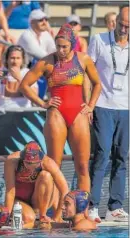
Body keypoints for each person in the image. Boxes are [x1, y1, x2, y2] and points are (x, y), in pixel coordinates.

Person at [19, 24, 102, 193]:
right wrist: (42, 103)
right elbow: (24, 85)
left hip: (78, 114)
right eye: (58, 46)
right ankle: (54, 213)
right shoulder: (47, 61)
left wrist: (91, 106)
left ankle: (82, 211)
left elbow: (97, 84)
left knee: (83, 166)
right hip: (56, 114)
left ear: (72, 44)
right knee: (54, 166)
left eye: (64, 47)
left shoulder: (83, 59)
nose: (61, 50)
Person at [88, 6, 129, 223]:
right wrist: (89, 104)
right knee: (103, 154)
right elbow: (88, 70)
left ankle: (115, 206)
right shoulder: (99, 39)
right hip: (103, 105)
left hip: (126, 108)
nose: (123, 28)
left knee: (122, 157)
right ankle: (93, 205)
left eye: (127, 26)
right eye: (121, 23)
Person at [3, 141, 69, 229]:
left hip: (38, 201)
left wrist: (57, 216)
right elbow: (10, 192)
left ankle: (42, 216)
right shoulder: (12, 161)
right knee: (28, 218)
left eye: (35, 164)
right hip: (20, 201)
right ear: (22, 159)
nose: (31, 167)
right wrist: (5, 219)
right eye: (28, 163)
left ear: (41, 159)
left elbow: (64, 190)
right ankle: (35, 221)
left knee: (46, 176)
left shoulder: (48, 162)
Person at [17, 9, 56, 99]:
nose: (44, 22)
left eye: (46, 20)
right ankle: (41, 97)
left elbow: (54, 51)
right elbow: (40, 54)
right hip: (24, 69)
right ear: (32, 23)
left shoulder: (45, 34)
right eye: (40, 20)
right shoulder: (26, 35)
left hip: (36, 68)